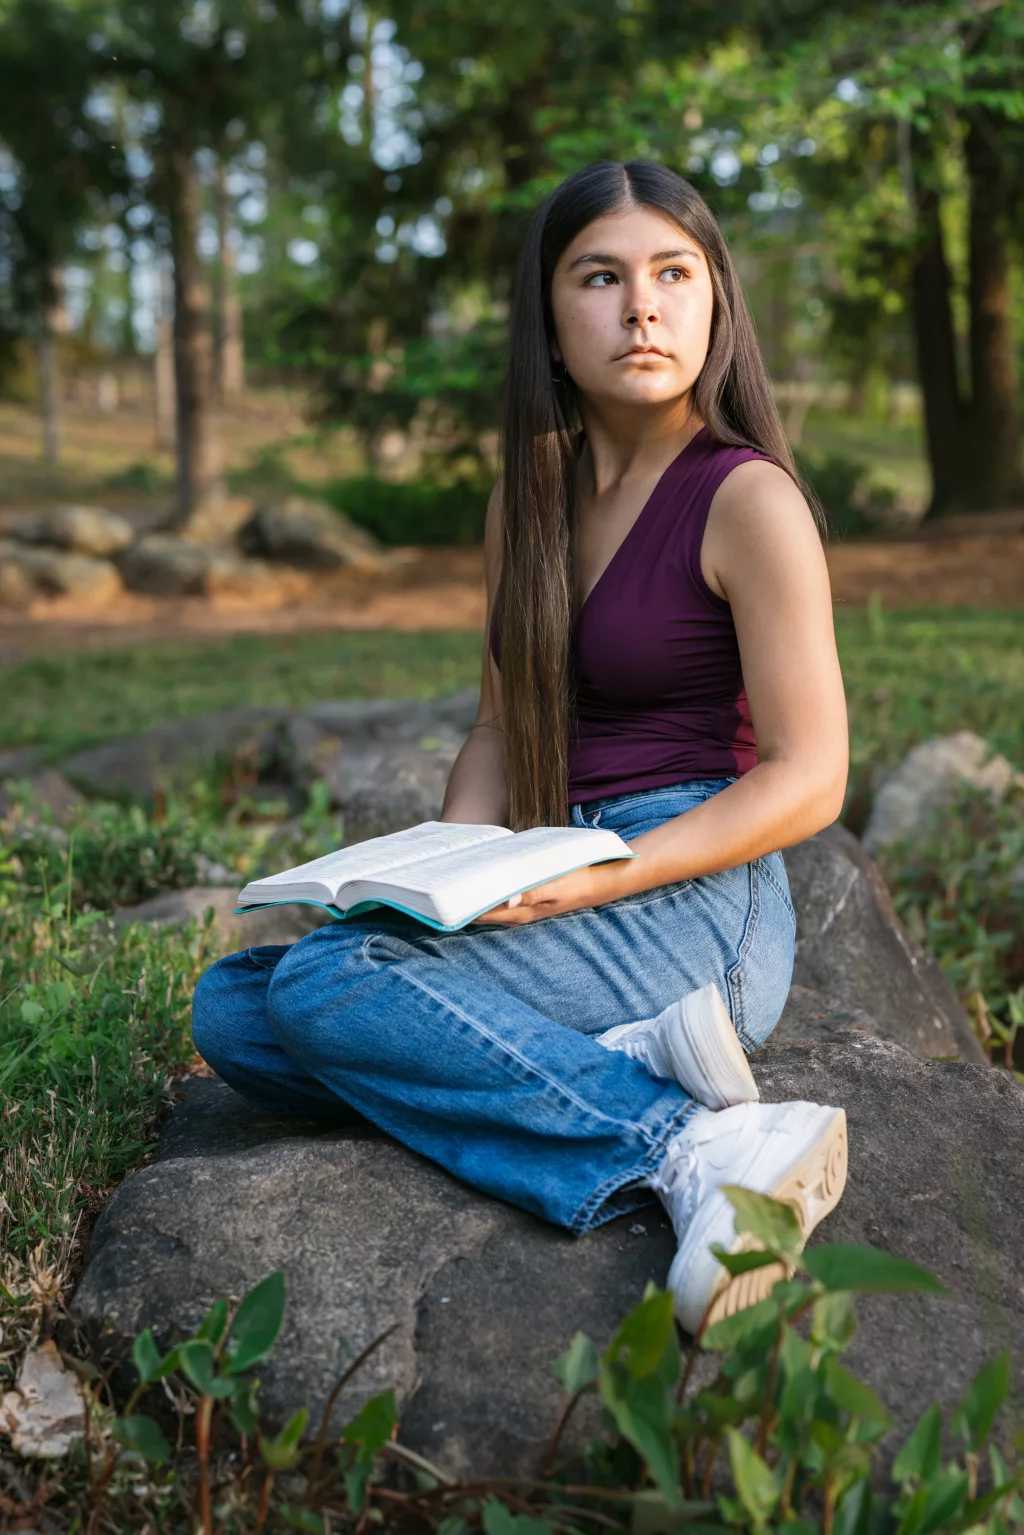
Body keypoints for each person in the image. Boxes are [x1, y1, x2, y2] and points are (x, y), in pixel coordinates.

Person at [192, 159, 851, 1334]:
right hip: (563, 853)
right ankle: (627, 1057)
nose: (641, 307)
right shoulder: (527, 504)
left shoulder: (748, 501)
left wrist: (600, 876)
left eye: (671, 274)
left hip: (700, 889)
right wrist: (456, 872)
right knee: (237, 1010)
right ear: (550, 320)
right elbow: (500, 725)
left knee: (330, 985)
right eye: (600, 277)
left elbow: (810, 776)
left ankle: (693, 1144)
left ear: (714, 304)